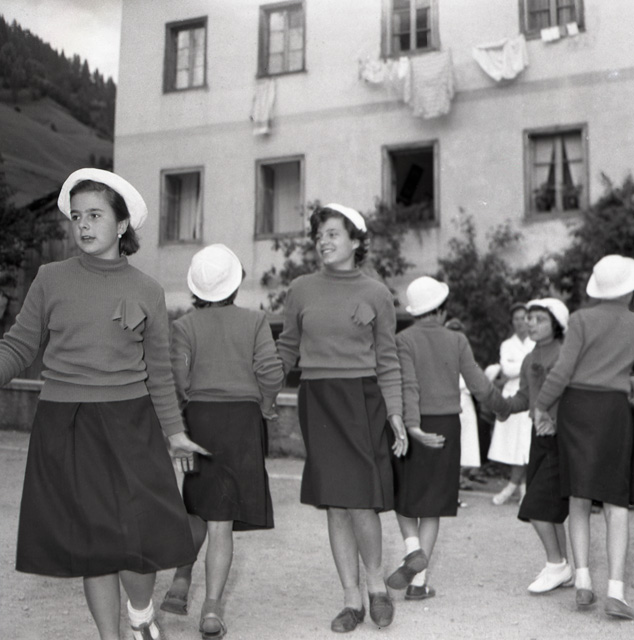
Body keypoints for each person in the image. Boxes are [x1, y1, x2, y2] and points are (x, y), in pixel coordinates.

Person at [0, 168, 209, 640]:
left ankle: (140, 613)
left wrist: (175, 433)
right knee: (94, 544)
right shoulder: (50, 278)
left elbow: (159, 372)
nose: (83, 225)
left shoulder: (148, 290)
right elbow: (18, 347)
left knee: (138, 538)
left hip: (130, 423)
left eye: (95, 215)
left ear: (122, 224)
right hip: (65, 424)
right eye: (77, 217)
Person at [276, 203, 408, 633]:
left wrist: (395, 412)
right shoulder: (300, 289)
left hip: (362, 400)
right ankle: (351, 600)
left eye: (333, 234)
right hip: (318, 400)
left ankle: (377, 588)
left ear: (355, 241)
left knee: (361, 501)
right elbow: (287, 348)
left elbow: (387, 359)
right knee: (336, 503)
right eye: (319, 236)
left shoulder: (377, 293)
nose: (324, 242)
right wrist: (262, 390)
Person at [160, 243, 284, 638]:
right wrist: (265, 405)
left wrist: (181, 421)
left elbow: (177, 379)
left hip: (199, 420)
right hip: (242, 422)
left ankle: (181, 579)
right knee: (222, 520)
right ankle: (211, 609)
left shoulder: (184, 326)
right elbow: (271, 372)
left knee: (197, 505)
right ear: (235, 282)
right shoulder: (255, 321)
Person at [388, 277, 508, 601]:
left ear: (415, 312)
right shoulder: (457, 340)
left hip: (410, 426)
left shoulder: (403, 340)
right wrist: (502, 408)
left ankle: (412, 549)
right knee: (432, 504)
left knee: (403, 496)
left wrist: (412, 426)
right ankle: (418, 584)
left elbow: (408, 386)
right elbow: (479, 385)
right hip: (446, 426)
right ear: (441, 310)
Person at [534, 255, 634, 619]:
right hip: (614, 411)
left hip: (577, 409)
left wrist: (542, 406)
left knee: (578, 495)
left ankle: (582, 582)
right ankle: (616, 591)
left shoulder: (580, 319)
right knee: (615, 501)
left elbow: (562, 371)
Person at [497, 298, 572, 594]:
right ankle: (563, 566)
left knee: (536, 506)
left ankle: (556, 566)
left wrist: (556, 422)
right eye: (529, 318)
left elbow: (572, 397)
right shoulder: (530, 357)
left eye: (539, 319)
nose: (530, 323)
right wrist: (502, 405)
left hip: (560, 436)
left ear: (556, 324)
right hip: (537, 437)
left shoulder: (566, 352)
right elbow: (524, 398)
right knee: (550, 508)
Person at [487, 302, 535, 505]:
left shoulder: (536, 341)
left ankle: (514, 487)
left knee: (527, 445)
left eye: (524, 318)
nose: (520, 322)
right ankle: (521, 487)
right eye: (516, 319)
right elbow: (507, 369)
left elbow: (536, 367)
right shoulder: (507, 344)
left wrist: (519, 365)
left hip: (531, 395)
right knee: (515, 445)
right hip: (513, 396)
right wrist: (527, 364)